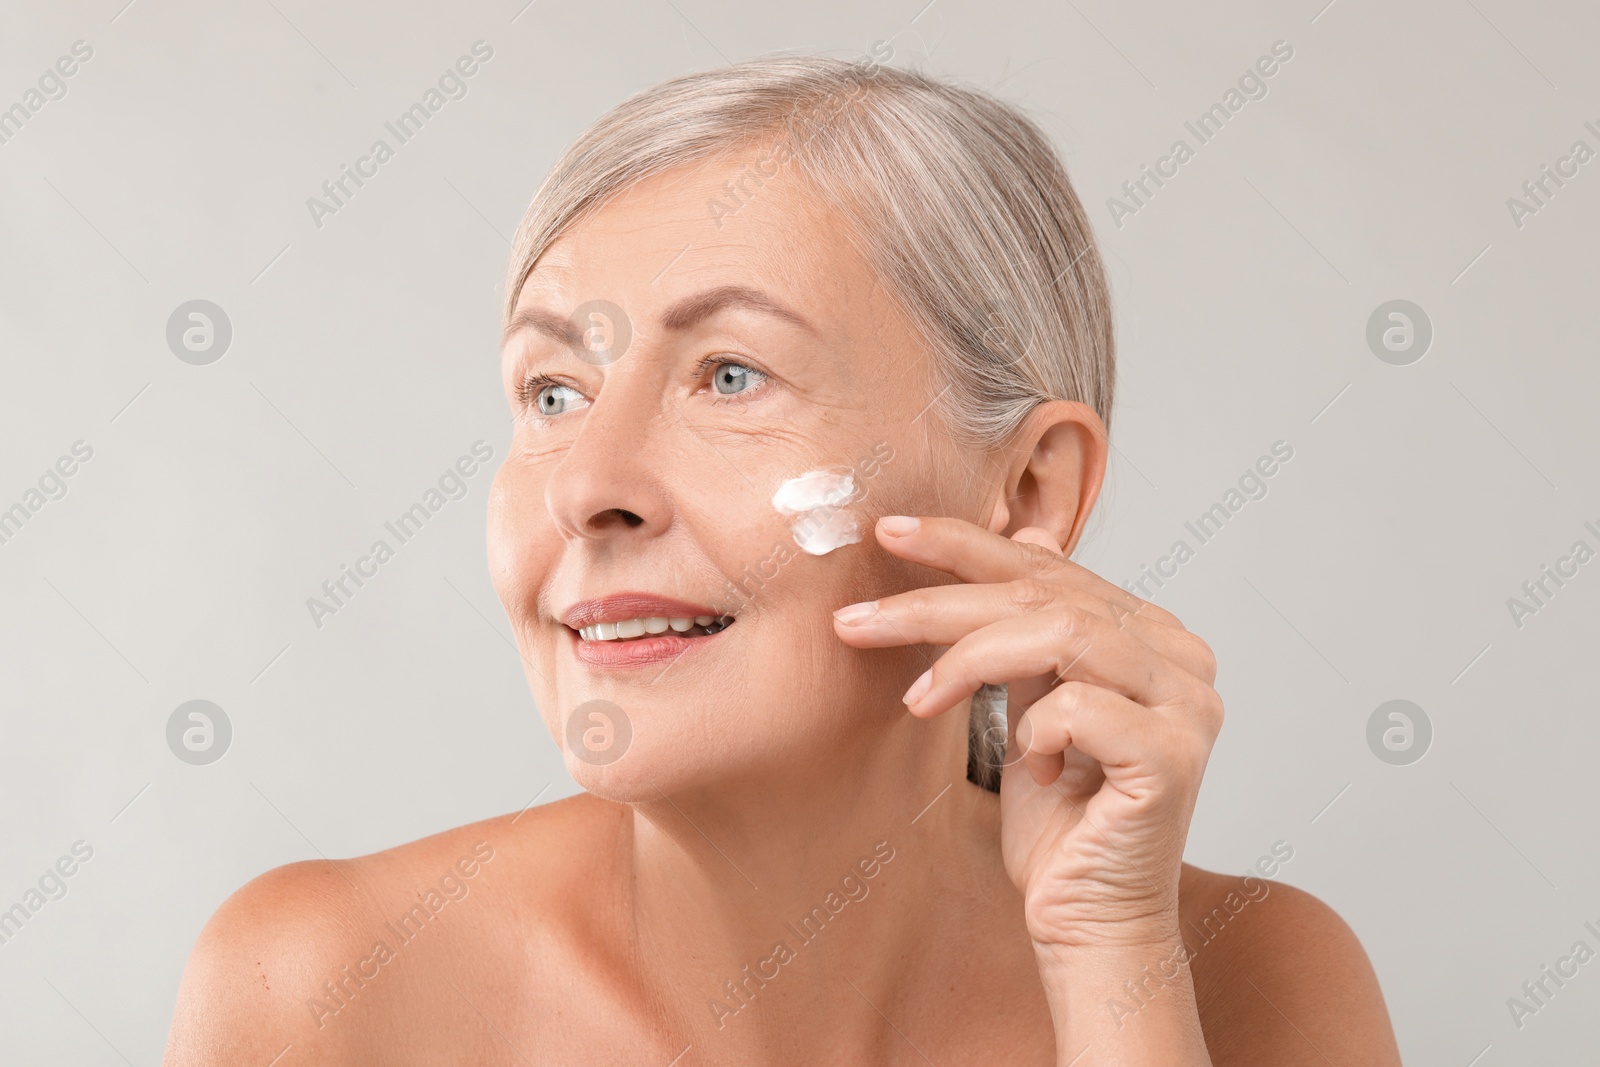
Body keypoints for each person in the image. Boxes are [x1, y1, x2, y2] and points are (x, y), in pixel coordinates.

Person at [164, 55, 1402, 1065]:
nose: (588, 487)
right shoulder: (318, 988)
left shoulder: (1253, 981)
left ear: (1026, 490)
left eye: (731, 375)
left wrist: (1110, 964)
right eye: (552, 391)